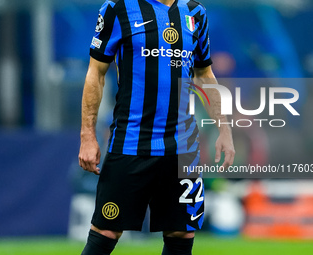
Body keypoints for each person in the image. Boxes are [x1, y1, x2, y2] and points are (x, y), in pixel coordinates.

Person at [78, 0, 235, 254]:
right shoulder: (118, 8)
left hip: (182, 147)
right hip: (130, 143)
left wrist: (224, 129)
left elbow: (204, 74)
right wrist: (87, 135)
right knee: (106, 231)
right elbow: (95, 72)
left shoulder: (195, 12)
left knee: (181, 231)